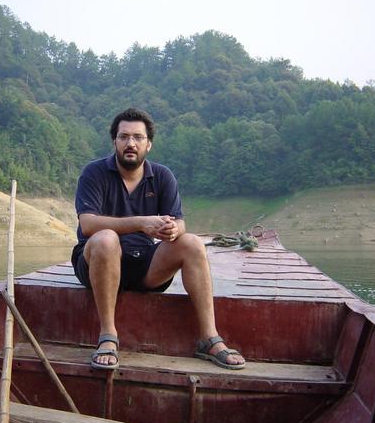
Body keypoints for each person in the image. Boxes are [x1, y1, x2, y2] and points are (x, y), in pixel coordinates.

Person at [71, 107, 246, 371]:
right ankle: (108, 336)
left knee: (192, 243)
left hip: (145, 265)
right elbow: (88, 225)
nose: (131, 143)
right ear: (114, 142)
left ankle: (209, 339)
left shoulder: (163, 176)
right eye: (124, 136)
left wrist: (172, 231)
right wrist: (142, 222)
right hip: (97, 262)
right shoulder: (94, 173)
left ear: (148, 144)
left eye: (138, 137)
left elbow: (180, 223)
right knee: (106, 238)